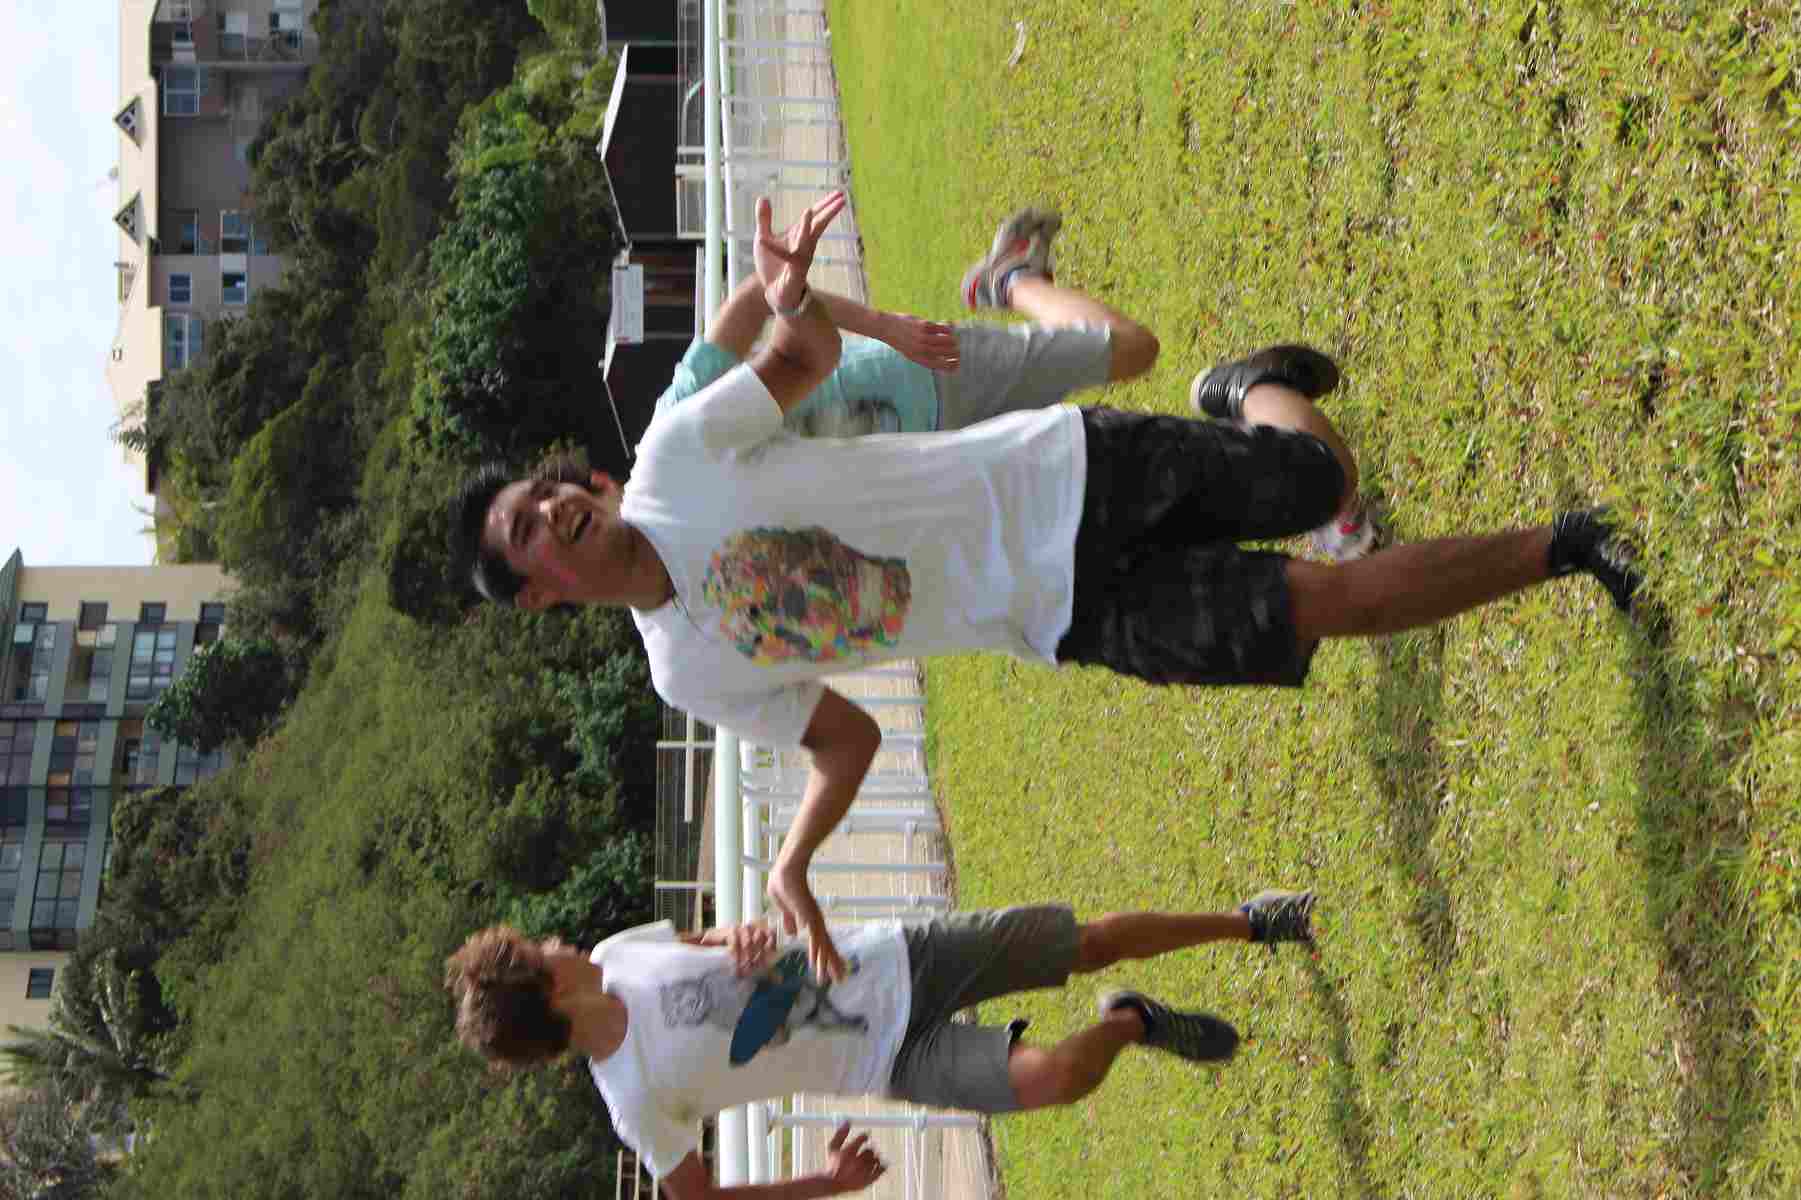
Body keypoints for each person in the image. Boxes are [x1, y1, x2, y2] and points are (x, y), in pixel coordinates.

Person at [448, 189, 1643, 981]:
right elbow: (845, 740)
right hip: (1059, 615)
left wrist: (799, 294)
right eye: (528, 534)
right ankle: (1569, 545)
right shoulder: (687, 670)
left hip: (1064, 468)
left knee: (1321, 480)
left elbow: (801, 354)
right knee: (1329, 606)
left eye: (540, 496)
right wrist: (792, 862)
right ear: (541, 593)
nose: (551, 512)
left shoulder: (673, 459)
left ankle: (1243, 390)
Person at [445, 889, 1319, 1200]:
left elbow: (706, 943)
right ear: (548, 992)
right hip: (884, 1059)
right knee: (1055, 1079)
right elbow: (700, 1198)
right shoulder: (633, 1101)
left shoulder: (618, 953)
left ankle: (1253, 922)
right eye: (540, 951)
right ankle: (1132, 1022)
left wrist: (741, 937)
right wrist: (826, 1183)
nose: (555, 941)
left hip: (897, 957)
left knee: (1084, 942)